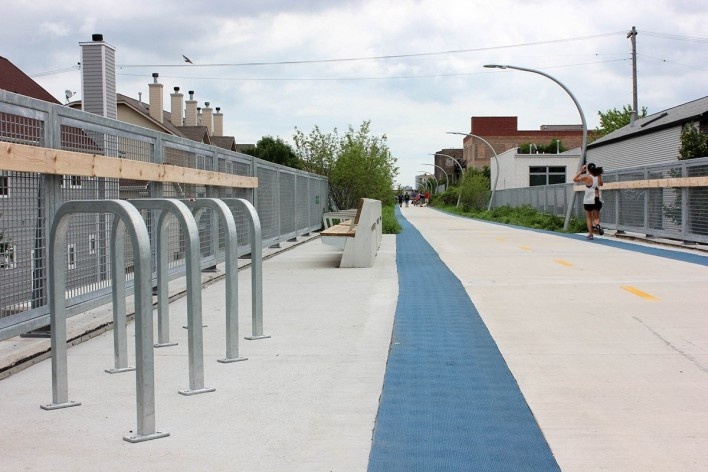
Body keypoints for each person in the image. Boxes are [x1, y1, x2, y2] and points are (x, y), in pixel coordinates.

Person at [573, 162, 604, 239]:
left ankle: (590, 234)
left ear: (588, 170)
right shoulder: (598, 176)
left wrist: (581, 171)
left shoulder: (587, 177)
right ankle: (597, 225)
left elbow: (574, 179)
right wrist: (599, 174)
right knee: (596, 218)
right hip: (597, 199)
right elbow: (601, 184)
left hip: (588, 200)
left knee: (589, 217)